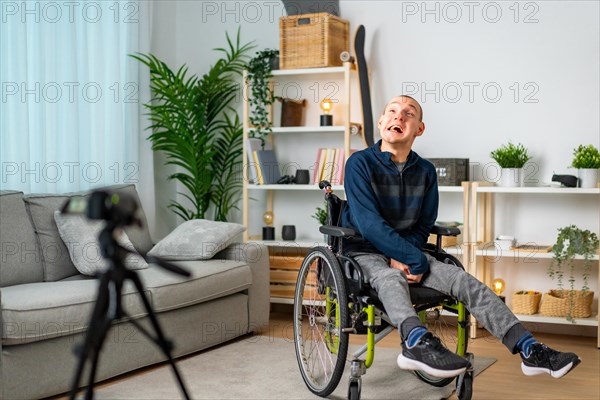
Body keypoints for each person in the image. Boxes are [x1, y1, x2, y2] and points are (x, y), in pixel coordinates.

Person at [341, 95, 581, 379]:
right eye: (392, 111)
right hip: (364, 251)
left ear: (419, 128)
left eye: (409, 113)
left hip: (409, 252)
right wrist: (410, 259)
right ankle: (415, 343)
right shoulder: (359, 164)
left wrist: (407, 256)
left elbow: (423, 225)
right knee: (390, 278)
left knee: (462, 280)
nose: (399, 117)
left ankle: (530, 350)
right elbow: (369, 224)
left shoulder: (426, 171)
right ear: (381, 122)